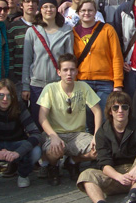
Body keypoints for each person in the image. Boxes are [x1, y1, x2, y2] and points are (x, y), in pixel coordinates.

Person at [38, 54, 102, 185]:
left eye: (72, 70)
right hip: (56, 133)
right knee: (54, 149)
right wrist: (53, 136)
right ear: (59, 72)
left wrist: (96, 135)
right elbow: (42, 117)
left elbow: (97, 111)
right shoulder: (50, 89)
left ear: (77, 71)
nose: (69, 73)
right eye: (65, 70)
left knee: (98, 150)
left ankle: (73, 161)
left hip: (78, 135)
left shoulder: (83, 87)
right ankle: (53, 166)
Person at [22, 0, 74, 129]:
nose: (48, 10)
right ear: (40, 10)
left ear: (57, 9)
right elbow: (27, 61)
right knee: (38, 123)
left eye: (52, 6)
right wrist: (25, 86)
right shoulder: (32, 31)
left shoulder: (66, 31)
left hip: (58, 85)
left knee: (58, 124)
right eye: (45, 7)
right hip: (37, 86)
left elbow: (69, 61)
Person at [73, 0, 123, 132]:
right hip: (83, 81)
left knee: (105, 120)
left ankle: (104, 148)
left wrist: (118, 84)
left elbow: (117, 57)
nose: (86, 13)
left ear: (95, 12)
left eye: (90, 10)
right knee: (86, 121)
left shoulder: (107, 29)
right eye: (83, 10)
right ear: (78, 12)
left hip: (105, 82)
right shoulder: (73, 32)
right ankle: (90, 150)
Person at [7, 0, 39, 92]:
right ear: (21, 5)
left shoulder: (43, 27)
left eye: (34, 1)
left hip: (38, 78)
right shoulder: (13, 28)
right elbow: (10, 55)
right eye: (27, 1)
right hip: (18, 78)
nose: (31, 4)